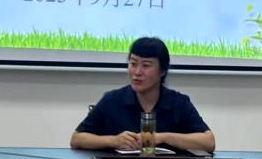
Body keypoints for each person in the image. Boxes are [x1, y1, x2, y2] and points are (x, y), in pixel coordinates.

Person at [70, 37, 215, 153]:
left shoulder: (178, 102)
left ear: (162, 71)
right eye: (133, 64)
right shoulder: (112, 100)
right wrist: (114, 141)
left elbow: (208, 142)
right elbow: (77, 139)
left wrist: (162, 137)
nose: (137, 72)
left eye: (146, 65)